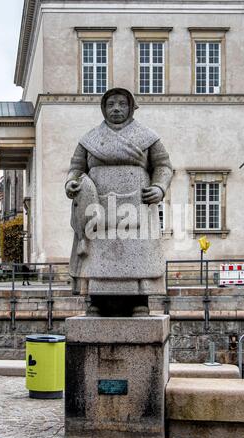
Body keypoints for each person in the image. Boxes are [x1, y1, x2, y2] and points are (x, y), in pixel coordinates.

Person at [65, 88, 173, 316]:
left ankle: (138, 302)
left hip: (136, 204)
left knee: (135, 253)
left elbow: (163, 166)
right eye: (111, 104)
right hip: (97, 207)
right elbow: (76, 168)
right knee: (99, 254)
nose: (116, 108)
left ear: (131, 107)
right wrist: (71, 184)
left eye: (122, 104)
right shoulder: (89, 140)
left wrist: (159, 187)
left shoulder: (147, 136)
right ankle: (96, 301)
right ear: (103, 108)